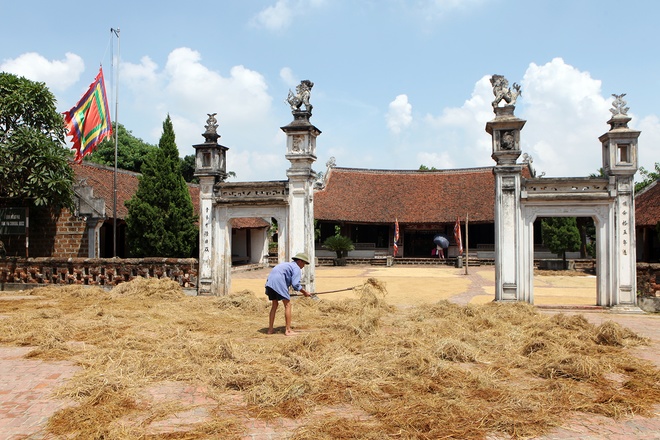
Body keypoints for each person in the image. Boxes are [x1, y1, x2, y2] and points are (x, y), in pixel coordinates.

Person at [265, 252, 312, 335]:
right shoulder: (296, 268)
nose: (303, 266)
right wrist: (305, 292)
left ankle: (270, 330)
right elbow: (295, 284)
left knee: (274, 305)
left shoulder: (286, 265)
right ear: (300, 261)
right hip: (278, 283)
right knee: (288, 305)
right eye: (304, 263)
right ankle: (288, 330)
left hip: (270, 283)